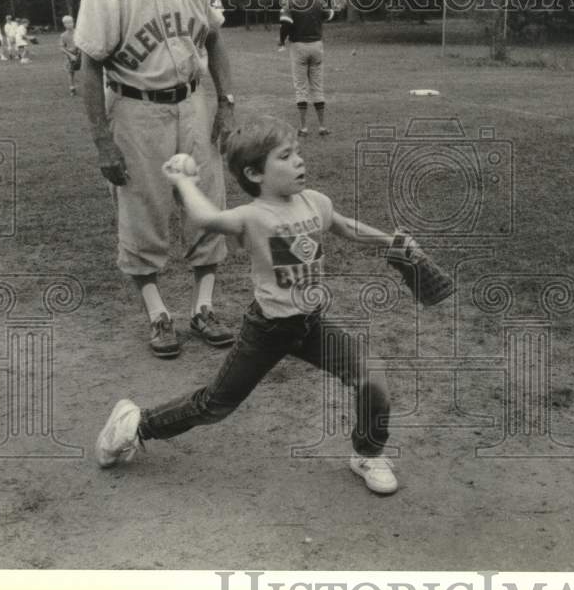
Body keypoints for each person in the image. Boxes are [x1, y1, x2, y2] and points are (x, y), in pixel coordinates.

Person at [95, 116, 401, 494]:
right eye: (286, 157)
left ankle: (368, 453)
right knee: (214, 405)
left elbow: (347, 227)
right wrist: (183, 182)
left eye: (298, 153)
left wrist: (392, 242)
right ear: (255, 173)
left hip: (311, 326)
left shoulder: (315, 202)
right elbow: (205, 217)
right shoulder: (251, 217)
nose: (299, 162)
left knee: (371, 376)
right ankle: (135, 424)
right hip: (268, 330)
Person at [74, 0, 238, 359]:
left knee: (208, 204)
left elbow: (213, 38)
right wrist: (102, 141)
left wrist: (226, 103)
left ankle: (204, 307)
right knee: (143, 210)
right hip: (135, 108)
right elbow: (90, 67)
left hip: (192, 102)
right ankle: (158, 313)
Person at [277, 0, 341, 137]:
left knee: (300, 87)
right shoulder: (319, 1)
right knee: (317, 86)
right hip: (317, 45)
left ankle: (304, 128)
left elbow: (285, 25)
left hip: (298, 46)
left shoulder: (290, 3)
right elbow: (329, 15)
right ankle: (322, 126)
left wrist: (281, 41)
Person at [59, 15, 80, 95]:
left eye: (70, 22)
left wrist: (80, 51)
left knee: (86, 69)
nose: (69, 24)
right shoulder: (63, 35)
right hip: (70, 56)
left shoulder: (78, 32)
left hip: (80, 54)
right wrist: (70, 55)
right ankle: (72, 88)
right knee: (70, 72)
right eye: (67, 23)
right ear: (64, 24)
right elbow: (62, 48)